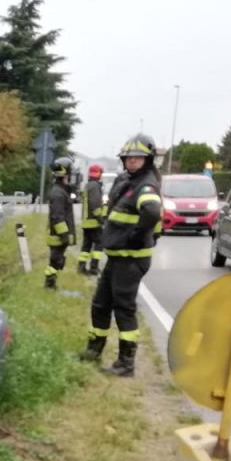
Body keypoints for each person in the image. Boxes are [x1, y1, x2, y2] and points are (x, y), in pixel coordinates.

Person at [78, 135, 162, 376]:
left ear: (147, 160)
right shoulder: (127, 180)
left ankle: (126, 363)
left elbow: (152, 211)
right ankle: (94, 350)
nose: (132, 162)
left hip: (131, 257)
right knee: (101, 304)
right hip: (118, 256)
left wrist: (135, 236)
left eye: (138, 158)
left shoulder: (145, 184)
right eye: (129, 158)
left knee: (123, 308)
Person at [45, 157, 76, 289]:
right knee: (55, 261)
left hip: (58, 235)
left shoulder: (60, 191)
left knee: (56, 261)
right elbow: (57, 217)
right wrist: (64, 236)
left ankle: (51, 282)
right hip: (58, 236)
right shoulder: (58, 194)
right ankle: (50, 284)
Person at [78, 163, 105, 275]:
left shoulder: (88, 185)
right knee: (99, 243)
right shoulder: (95, 186)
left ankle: (81, 267)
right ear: (98, 174)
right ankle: (93, 267)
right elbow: (95, 205)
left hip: (86, 222)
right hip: (93, 222)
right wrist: (101, 219)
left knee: (86, 246)